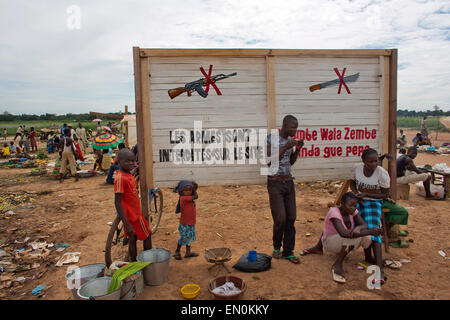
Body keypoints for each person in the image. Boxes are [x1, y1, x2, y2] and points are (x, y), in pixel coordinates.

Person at [300, 192, 381, 283]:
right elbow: (344, 233)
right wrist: (369, 231)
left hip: (341, 240)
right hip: (330, 242)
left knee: (367, 237)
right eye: (350, 205)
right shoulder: (334, 213)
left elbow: (364, 225)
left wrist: (358, 228)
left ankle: (369, 257)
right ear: (342, 203)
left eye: (355, 206)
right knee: (356, 237)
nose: (353, 208)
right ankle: (337, 264)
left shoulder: (353, 211)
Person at [266, 115, 304, 264]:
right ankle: (277, 247)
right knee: (280, 219)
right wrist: (286, 147)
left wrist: (297, 149)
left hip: (288, 182)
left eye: (296, 128)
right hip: (275, 183)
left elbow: (290, 162)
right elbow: (269, 162)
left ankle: (288, 251)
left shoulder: (290, 141)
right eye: (292, 127)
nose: (295, 131)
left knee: (291, 217)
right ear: (284, 125)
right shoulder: (271, 139)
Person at [350, 148, 390, 285]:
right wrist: (356, 194)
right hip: (360, 199)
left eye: (376, 161)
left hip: (374, 201)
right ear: (363, 161)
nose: (374, 164)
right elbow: (352, 182)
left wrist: (367, 195)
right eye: (370, 161)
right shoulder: (357, 169)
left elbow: (385, 194)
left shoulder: (382, 174)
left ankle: (379, 268)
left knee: (373, 228)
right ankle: (368, 257)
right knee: (361, 226)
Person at [114, 148, 152, 261]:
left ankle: (134, 262)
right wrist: (126, 223)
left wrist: (136, 173)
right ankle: (148, 260)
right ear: (119, 161)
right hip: (133, 215)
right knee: (147, 235)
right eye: (127, 161)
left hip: (131, 213)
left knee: (133, 238)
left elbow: (130, 183)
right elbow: (117, 201)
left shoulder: (126, 173)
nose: (131, 163)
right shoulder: (120, 178)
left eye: (133, 160)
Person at [173, 180, 199, 260]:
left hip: (190, 222)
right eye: (186, 190)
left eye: (190, 190)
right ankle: (177, 251)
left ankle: (188, 252)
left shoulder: (187, 197)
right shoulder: (184, 198)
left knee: (189, 237)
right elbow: (196, 196)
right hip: (185, 223)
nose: (188, 192)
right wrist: (194, 190)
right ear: (181, 191)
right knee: (184, 237)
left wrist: (194, 188)